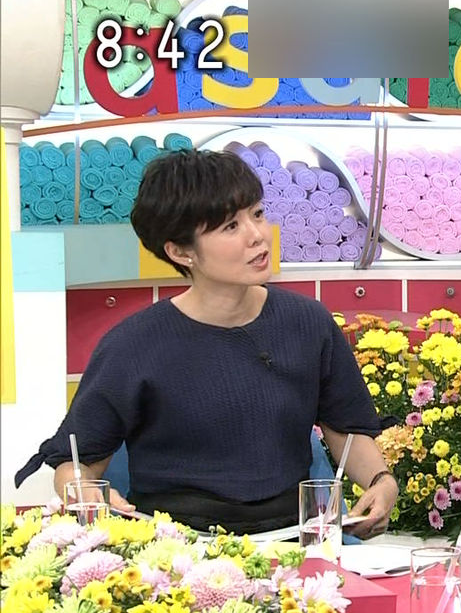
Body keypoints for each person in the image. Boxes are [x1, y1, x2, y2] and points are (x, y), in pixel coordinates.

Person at [14, 149, 398, 537]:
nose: (257, 235)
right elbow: (76, 462)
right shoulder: (132, 345)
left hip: (294, 536)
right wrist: (86, 493)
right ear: (180, 251)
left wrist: (381, 481)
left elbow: (345, 429)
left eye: (257, 214)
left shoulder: (308, 322)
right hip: (175, 546)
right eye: (230, 226)